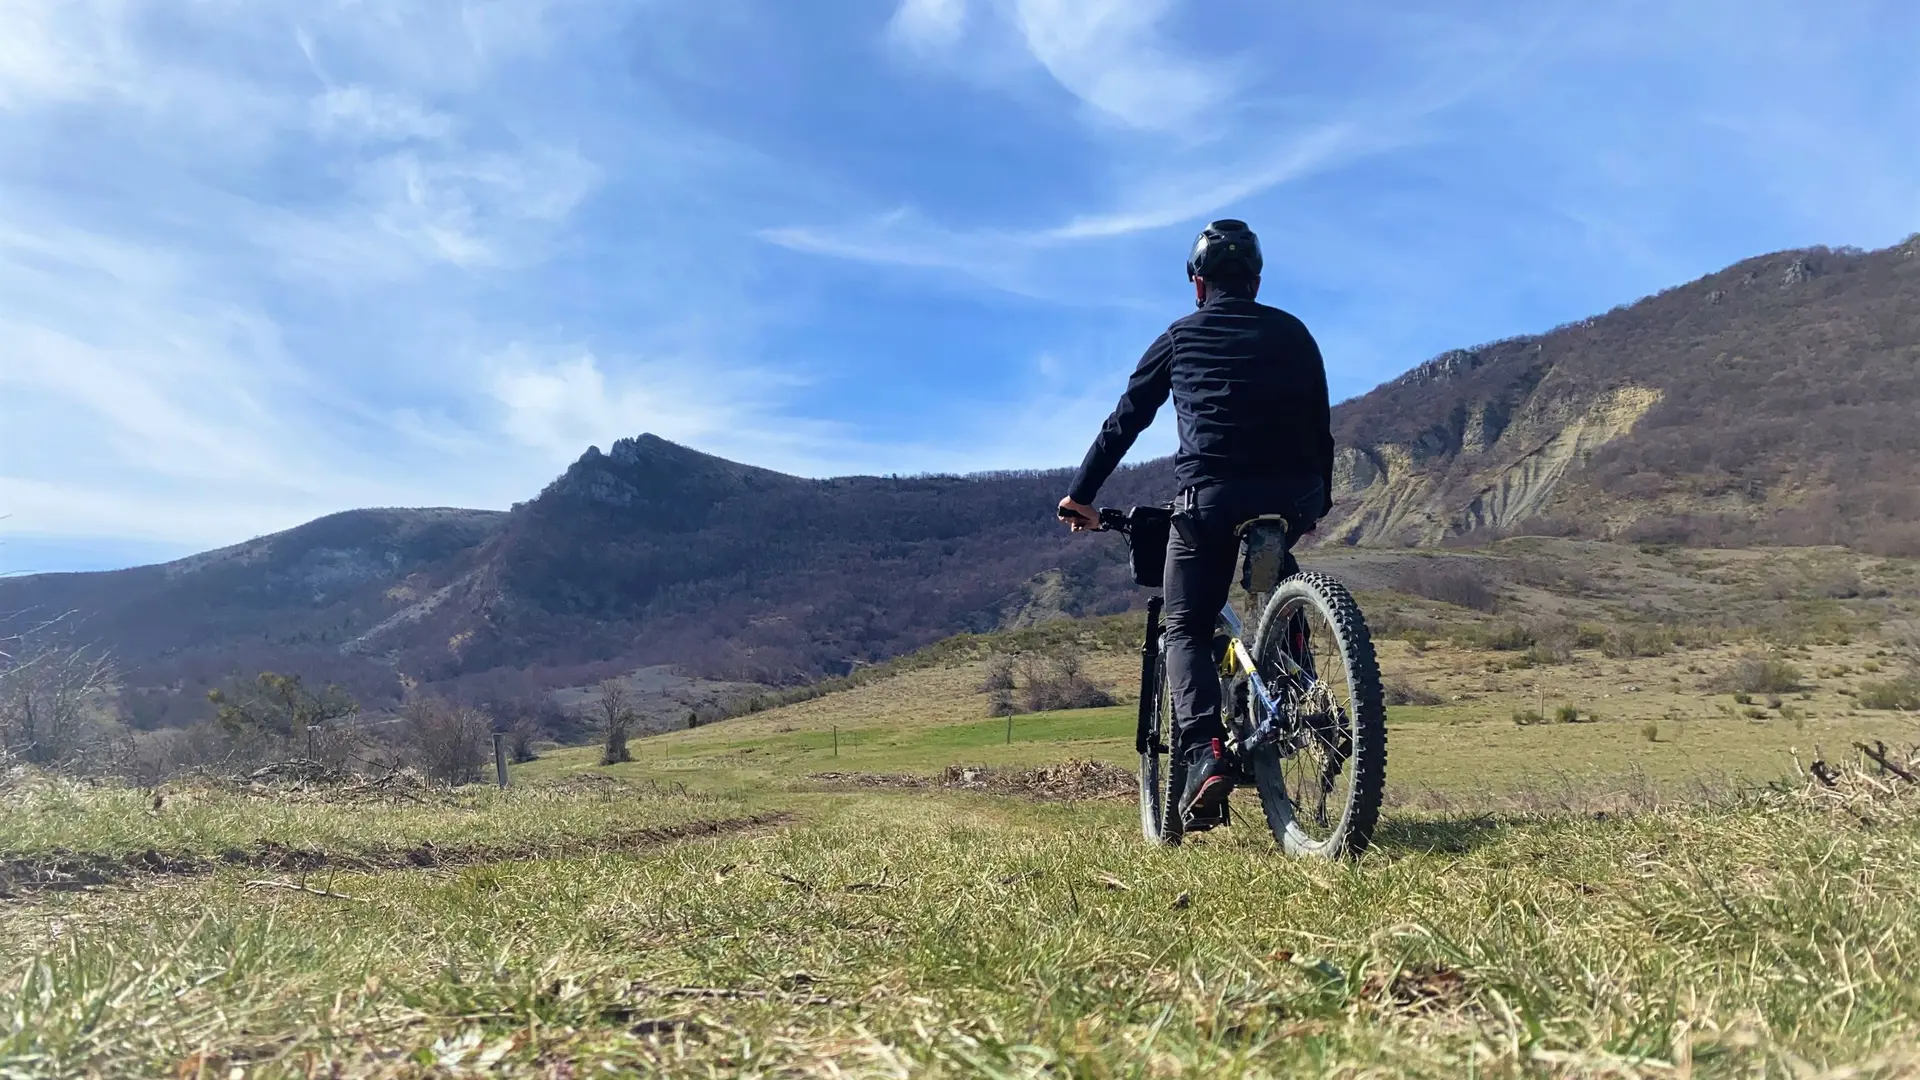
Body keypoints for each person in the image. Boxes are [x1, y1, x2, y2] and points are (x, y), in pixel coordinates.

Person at [1057, 219, 1334, 829]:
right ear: (1256, 282)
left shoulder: (1180, 336)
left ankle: (1205, 752)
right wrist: (1319, 504)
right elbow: (1321, 427)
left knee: (1184, 623)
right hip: (1293, 494)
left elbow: (1126, 419)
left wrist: (1082, 494)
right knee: (1277, 580)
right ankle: (1303, 688)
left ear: (1198, 285)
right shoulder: (1295, 333)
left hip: (1211, 498)